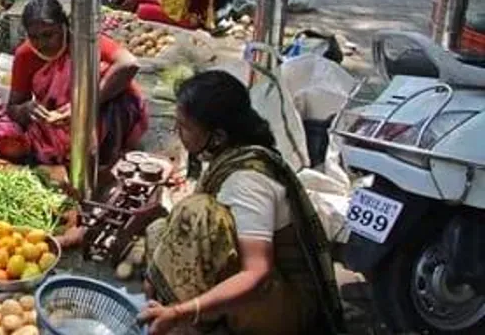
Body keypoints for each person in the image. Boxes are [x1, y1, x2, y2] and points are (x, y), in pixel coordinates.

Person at [139, 70, 344, 335]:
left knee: (196, 213)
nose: (178, 134)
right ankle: (185, 312)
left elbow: (257, 274)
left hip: (281, 309)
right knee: (160, 229)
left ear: (218, 137)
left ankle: (189, 322)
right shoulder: (231, 156)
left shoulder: (247, 182)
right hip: (266, 290)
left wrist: (181, 311)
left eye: (185, 127)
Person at [0, 0, 146, 167]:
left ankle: (105, 158)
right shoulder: (25, 55)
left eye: (48, 35)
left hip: (99, 108)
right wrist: (26, 109)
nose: (41, 44)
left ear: (64, 27)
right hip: (58, 116)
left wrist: (85, 104)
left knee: (109, 108)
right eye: (34, 37)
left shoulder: (84, 41)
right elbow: (13, 107)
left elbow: (129, 63)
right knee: (1, 134)